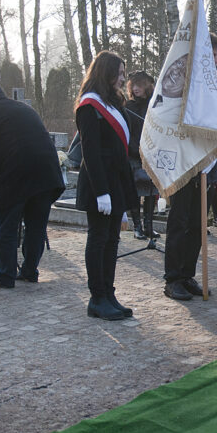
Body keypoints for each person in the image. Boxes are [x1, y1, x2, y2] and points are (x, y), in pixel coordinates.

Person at [0, 81, 65, 288]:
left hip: (16, 175)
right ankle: (29, 272)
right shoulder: (25, 109)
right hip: (46, 174)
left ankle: (5, 276)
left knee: (5, 226)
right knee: (36, 227)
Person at [162, 32, 217, 301]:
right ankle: (172, 278)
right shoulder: (182, 84)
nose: (214, 60)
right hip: (183, 164)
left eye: (216, 56)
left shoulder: (215, 88)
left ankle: (188, 274)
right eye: (210, 55)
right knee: (179, 223)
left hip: (207, 165)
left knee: (198, 225)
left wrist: (215, 164)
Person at [75, 51, 137, 320]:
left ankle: (109, 293)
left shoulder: (113, 104)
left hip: (116, 182)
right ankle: (96, 297)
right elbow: (90, 151)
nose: (123, 79)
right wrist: (101, 191)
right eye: (120, 73)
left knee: (112, 240)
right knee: (98, 239)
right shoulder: (90, 105)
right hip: (98, 184)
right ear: (106, 73)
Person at [125, 71, 160, 240]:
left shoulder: (154, 105)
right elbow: (127, 132)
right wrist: (134, 149)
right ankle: (137, 226)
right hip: (134, 153)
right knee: (135, 191)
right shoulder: (128, 106)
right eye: (133, 85)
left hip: (151, 153)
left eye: (139, 85)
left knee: (151, 191)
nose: (136, 88)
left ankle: (149, 226)